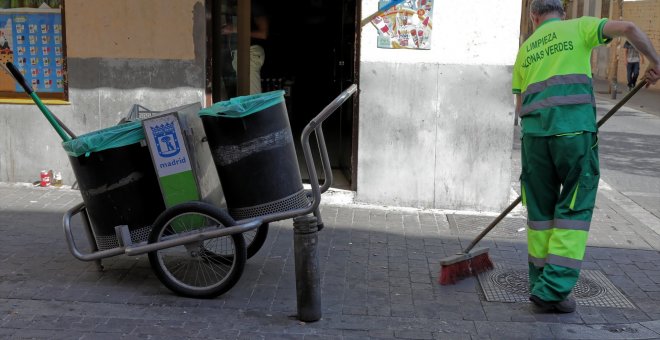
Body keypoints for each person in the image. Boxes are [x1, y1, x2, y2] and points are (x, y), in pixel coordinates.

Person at [512, 0, 659, 314]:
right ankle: (552, 289)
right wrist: (655, 61)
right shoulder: (577, 27)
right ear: (562, 12)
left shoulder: (526, 49)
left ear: (533, 17)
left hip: (535, 140)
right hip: (573, 134)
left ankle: (540, 283)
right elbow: (629, 28)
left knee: (540, 214)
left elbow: (520, 105)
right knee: (574, 207)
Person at [222, 0, 268, 94]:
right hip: (238, 54)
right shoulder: (232, 5)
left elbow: (263, 34)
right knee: (245, 96)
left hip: (250, 52)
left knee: (252, 97)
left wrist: (234, 29)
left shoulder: (252, 5)